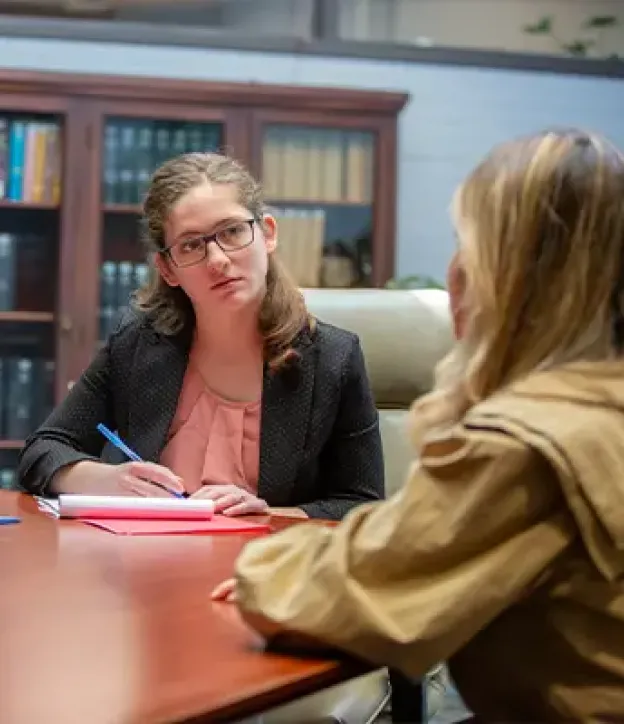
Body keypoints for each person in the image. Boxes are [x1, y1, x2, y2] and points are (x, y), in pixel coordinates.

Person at [212, 128, 624, 720]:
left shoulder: (525, 446)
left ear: (508, 278)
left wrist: (265, 569)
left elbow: (326, 597)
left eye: (468, 243)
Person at [18, 152, 384, 519]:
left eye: (232, 231)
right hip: (150, 563)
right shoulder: (138, 343)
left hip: (264, 565)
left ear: (267, 234)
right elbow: (44, 450)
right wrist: (107, 480)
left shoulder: (333, 358)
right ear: (168, 269)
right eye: (191, 245)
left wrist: (272, 513)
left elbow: (362, 506)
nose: (218, 260)